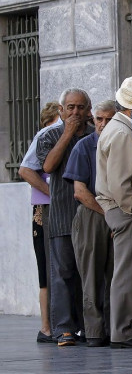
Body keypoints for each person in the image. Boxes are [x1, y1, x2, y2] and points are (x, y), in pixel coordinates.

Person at [95, 77, 132, 349]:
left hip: (123, 208)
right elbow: (120, 182)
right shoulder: (120, 132)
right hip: (125, 210)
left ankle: (127, 328)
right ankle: (122, 330)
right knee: (128, 271)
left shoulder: (119, 128)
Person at [36, 88, 95, 346]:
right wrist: (68, 134)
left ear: (88, 110)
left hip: (91, 213)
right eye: (70, 107)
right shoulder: (49, 136)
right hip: (62, 214)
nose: (75, 112)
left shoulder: (96, 134)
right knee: (62, 273)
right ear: (61, 111)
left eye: (80, 107)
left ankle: (90, 327)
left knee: (90, 274)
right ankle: (63, 329)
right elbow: (47, 166)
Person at [62, 100, 117, 347]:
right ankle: (94, 331)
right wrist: (108, 214)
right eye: (99, 119)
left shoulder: (122, 142)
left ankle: (115, 329)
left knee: (117, 275)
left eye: (108, 119)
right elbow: (80, 191)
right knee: (92, 275)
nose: (103, 124)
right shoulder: (84, 147)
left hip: (118, 213)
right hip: (92, 215)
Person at [18, 101, 63, 343]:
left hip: (59, 207)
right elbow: (25, 170)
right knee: (46, 267)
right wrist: (51, 192)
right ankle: (46, 326)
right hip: (44, 209)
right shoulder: (45, 136)